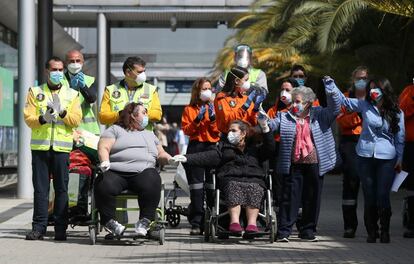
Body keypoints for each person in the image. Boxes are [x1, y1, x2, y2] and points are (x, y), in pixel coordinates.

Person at [169, 119, 275, 235]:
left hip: (254, 179)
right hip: (231, 179)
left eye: (234, 131)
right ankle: (234, 223)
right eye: (229, 131)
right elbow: (206, 156)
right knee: (234, 187)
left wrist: (265, 127)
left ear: (243, 133)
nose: (230, 133)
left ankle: (251, 224)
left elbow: (270, 149)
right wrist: (186, 158)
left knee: (254, 188)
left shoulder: (255, 148)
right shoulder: (224, 148)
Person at [268, 78, 341, 242]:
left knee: (312, 198)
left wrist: (331, 88)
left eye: (298, 102)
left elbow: (336, 107)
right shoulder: (284, 115)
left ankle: (307, 231)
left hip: (315, 164)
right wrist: (263, 123)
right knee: (289, 198)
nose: (294, 105)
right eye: (293, 102)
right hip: (294, 164)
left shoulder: (320, 114)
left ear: (308, 103)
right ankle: (284, 231)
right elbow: (272, 125)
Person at [335, 77, 405, 243]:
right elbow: (343, 100)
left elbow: (400, 137)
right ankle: (371, 231)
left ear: (384, 90)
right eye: (371, 88)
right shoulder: (364, 105)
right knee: (369, 195)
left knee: (382, 194)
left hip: (387, 157)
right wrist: (331, 86)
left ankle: (385, 230)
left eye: (376, 88)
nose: (373, 92)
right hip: (365, 156)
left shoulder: (397, 112)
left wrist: (400, 158)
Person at [24, 56, 82, 240]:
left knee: (61, 189)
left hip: (61, 149)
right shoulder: (35, 92)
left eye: (60, 70)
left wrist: (63, 112)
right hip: (40, 148)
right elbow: (28, 118)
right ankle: (39, 228)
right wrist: (43, 118)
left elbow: (76, 120)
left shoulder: (71, 94)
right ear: (46, 71)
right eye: (53, 70)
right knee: (40, 190)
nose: (57, 73)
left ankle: (60, 229)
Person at [95, 102, 171, 237]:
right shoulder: (115, 130)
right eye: (144, 112)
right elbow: (103, 147)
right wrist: (105, 161)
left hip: (143, 172)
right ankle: (110, 222)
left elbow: (161, 153)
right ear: (132, 116)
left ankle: (145, 221)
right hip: (117, 172)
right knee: (102, 182)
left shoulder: (150, 134)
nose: (147, 115)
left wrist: (169, 158)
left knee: (153, 179)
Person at [181, 77, 220, 235]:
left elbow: (218, 131)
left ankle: (212, 218)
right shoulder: (189, 109)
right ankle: (196, 222)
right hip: (196, 147)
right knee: (196, 187)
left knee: (211, 185)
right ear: (197, 91)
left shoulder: (215, 107)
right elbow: (187, 131)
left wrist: (211, 119)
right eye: (204, 89)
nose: (207, 91)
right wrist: (197, 119)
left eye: (209, 88)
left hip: (211, 147)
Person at [64, 49, 100, 218]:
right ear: (66, 62)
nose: (75, 64)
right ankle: (74, 207)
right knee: (73, 170)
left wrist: (83, 87)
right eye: (72, 60)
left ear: (83, 62)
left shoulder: (89, 80)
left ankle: (82, 207)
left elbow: (92, 98)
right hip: (67, 134)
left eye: (78, 60)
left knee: (90, 171)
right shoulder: (60, 79)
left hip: (89, 135)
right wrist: (70, 90)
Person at [336, 66, 368, 238]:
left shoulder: (374, 98)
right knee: (351, 181)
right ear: (353, 80)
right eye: (358, 78)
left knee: (371, 184)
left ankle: (374, 225)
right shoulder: (345, 98)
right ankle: (349, 226)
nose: (361, 81)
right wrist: (358, 113)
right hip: (351, 143)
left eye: (364, 78)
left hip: (372, 143)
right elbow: (342, 122)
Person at [98, 56, 162, 130]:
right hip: (119, 137)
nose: (143, 75)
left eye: (144, 71)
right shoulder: (111, 90)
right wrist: (121, 114)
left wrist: (141, 113)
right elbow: (103, 117)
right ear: (128, 72)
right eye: (139, 72)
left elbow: (157, 115)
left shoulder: (151, 89)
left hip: (143, 137)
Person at [214, 66, 265, 135]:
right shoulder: (222, 98)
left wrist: (255, 110)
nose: (248, 83)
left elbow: (252, 122)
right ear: (237, 81)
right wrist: (244, 107)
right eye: (246, 80)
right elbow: (228, 120)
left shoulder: (245, 98)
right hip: (229, 137)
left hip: (245, 137)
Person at [399, 78, 414, 238]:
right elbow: (402, 111)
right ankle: (411, 224)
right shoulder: (409, 91)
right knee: (412, 186)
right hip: (412, 145)